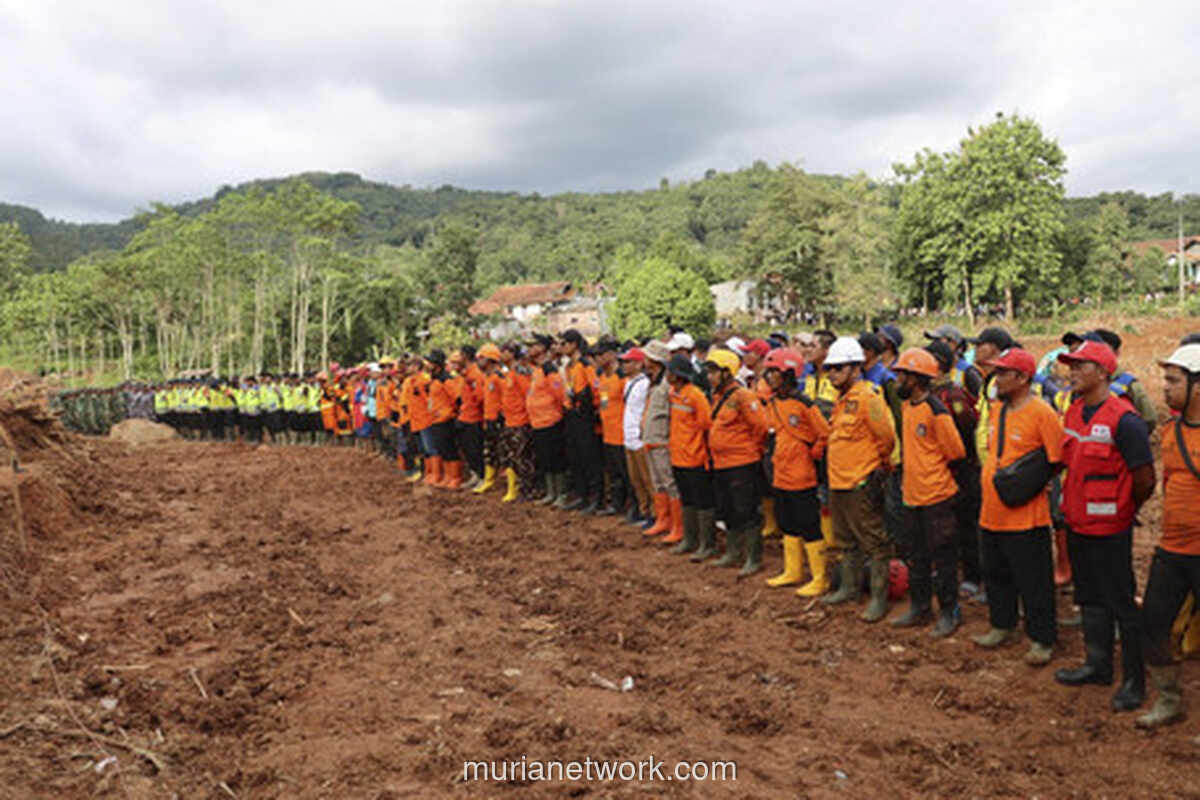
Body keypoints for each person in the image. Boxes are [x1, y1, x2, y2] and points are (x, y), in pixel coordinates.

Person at [1053, 340, 1154, 711]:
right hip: (1078, 524)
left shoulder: (1125, 420)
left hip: (1111, 529)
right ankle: (1097, 665)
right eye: (1071, 366)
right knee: (1090, 599)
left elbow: (1144, 478)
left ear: (1102, 372)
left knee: (1122, 604)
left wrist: (1124, 509)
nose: (1072, 372)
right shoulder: (1075, 412)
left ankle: (1133, 680)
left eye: (1080, 366)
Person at [971, 347, 1062, 667]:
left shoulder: (1043, 413)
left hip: (1026, 516)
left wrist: (1029, 486)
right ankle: (1003, 624)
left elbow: (1055, 460)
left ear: (1022, 378)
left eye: (1002, 373)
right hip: (991, 511)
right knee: (996, 573)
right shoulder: (998, 409)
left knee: (1034, 580)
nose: (996, 378)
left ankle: (1042, 638)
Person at [1138, 344, 1200, 741]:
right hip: (1172, 550)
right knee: (1154, 622)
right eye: (1166, 379)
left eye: (1174, 380)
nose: (1164, 388)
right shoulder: (1169, 431)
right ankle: (1169, 699)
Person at [891, 348, 967, 637]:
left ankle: (950, 612)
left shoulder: (936, 410)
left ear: (918, 379)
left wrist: (932, 476)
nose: (898, 379)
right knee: (917, 557)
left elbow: (956, 452)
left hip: (937, 496)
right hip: (911, 495)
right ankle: (920, 608)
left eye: (902, 375)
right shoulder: (908, 407)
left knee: (944, 559)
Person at [821, 337, 897, 622]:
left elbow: (886, 437)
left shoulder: (868, 397)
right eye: (830, 369)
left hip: (860, 482)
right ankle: (849, 588)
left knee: (874, 541)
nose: (832, 374)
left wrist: (873, 468)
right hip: (838, 481)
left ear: (855, 368)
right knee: (846, 540)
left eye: (838, 369)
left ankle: (879, 599)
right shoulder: (841, 400)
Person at [762, 347, 831, 595]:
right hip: (781, 473)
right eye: (768, 372)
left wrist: (818, 449)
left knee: (809, 524)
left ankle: (820, 577)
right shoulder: (772, 403)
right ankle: (793, 571)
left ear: (789, 374)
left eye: (775, 372)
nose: (770, 377)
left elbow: (824, 432)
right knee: (787, 522)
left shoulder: (804, 404)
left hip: (802, 475)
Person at [925, 341, 984, 601]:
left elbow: (969, 428)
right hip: (937, 471)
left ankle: (973, 576)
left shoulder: (954, 395)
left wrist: (964, 462)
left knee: (966, 524)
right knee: (942, 526)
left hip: (960, 470)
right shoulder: (925, 396)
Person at [704, 348, 769, 575]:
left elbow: (760, 426)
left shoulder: (743, 396)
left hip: (742, 463)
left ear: (727, 372)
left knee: (747, 510)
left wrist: (751, 450)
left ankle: (754, 557)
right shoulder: (718, 397)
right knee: (727, 508)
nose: (709, 377)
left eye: (713, 372)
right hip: (721, 463)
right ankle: (732, 552)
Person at [667, 353, 714, 555]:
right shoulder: (673, 393)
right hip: (678, 456)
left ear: (677, 375)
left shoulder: (695, 395)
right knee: (687, 499)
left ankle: (707, 544)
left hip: (695, 457)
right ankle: (690, 539)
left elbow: (706, 424)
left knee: (702, 500)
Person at [640, 341, 684, 542]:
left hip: (662, 442)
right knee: (658, 483)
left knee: (670, 483)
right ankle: (663, 520)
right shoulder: (653, 382)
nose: (644, 360)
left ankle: (678, 526)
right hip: (651, 440)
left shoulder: (667, 385)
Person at [560, 330, 603, 512]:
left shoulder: (585, 365)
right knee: (575, 457)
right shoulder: (570, 366)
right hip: (572, 414)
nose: (562, 347)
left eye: (565, 343)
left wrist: (594, 409)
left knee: (589, 458)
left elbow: (597, 389)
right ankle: (582, 495)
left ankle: (596, 498)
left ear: (574, 344)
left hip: (585, 415)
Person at [527, 335, 570, 507]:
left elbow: (559, 394)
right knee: (545, 458)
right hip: (537, 422)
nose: (530, 349)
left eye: (534, 345)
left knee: (555, 458)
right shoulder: (537, 370)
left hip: (550, 421)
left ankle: (561, 493)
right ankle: (551, 492)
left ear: (543, 348)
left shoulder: (548, 369)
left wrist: (558, 413)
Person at [594, 341, 631, 516]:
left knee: (626, 473)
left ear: (611, 355)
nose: (597, 359)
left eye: (600, 355)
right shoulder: (602, 377)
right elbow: (603, 401)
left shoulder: (622, 377)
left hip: (622, 434)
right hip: (607, 432)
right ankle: (617, 504)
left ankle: (633, 507)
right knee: (614, 472)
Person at [620, 347, 654, 527]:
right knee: (636, 480)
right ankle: (644, 512)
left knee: (647, 479)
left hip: (640, 438)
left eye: (629, 362)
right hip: (629, 436)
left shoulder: (645, 383)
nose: (625, 365)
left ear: (639, 364)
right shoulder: (628, 382)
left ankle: (654, 514)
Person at [497, 342, 536, 502]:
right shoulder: (509, 373)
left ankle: (529, 490)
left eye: (504, 351)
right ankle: (520, 488)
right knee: (513, 458)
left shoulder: (520, 372)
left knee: (523, 458)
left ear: (512, 354)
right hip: (510, 420)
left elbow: (528, 393)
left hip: (521, 421)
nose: (501, 354)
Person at [473, 343, 505, 494]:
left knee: (505, 453)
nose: (478, 362)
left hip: (499, 420)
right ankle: (489, 480)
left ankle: (512, 486)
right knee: (489, 451)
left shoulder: (499, 377)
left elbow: (506, 399)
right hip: (488, 419)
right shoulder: (487, 378)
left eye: (481, 358)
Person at [924, 324, 982, 398]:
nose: (933, 344)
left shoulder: (967, 372)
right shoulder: (932, 369)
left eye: (937, 340)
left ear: (953, 343)